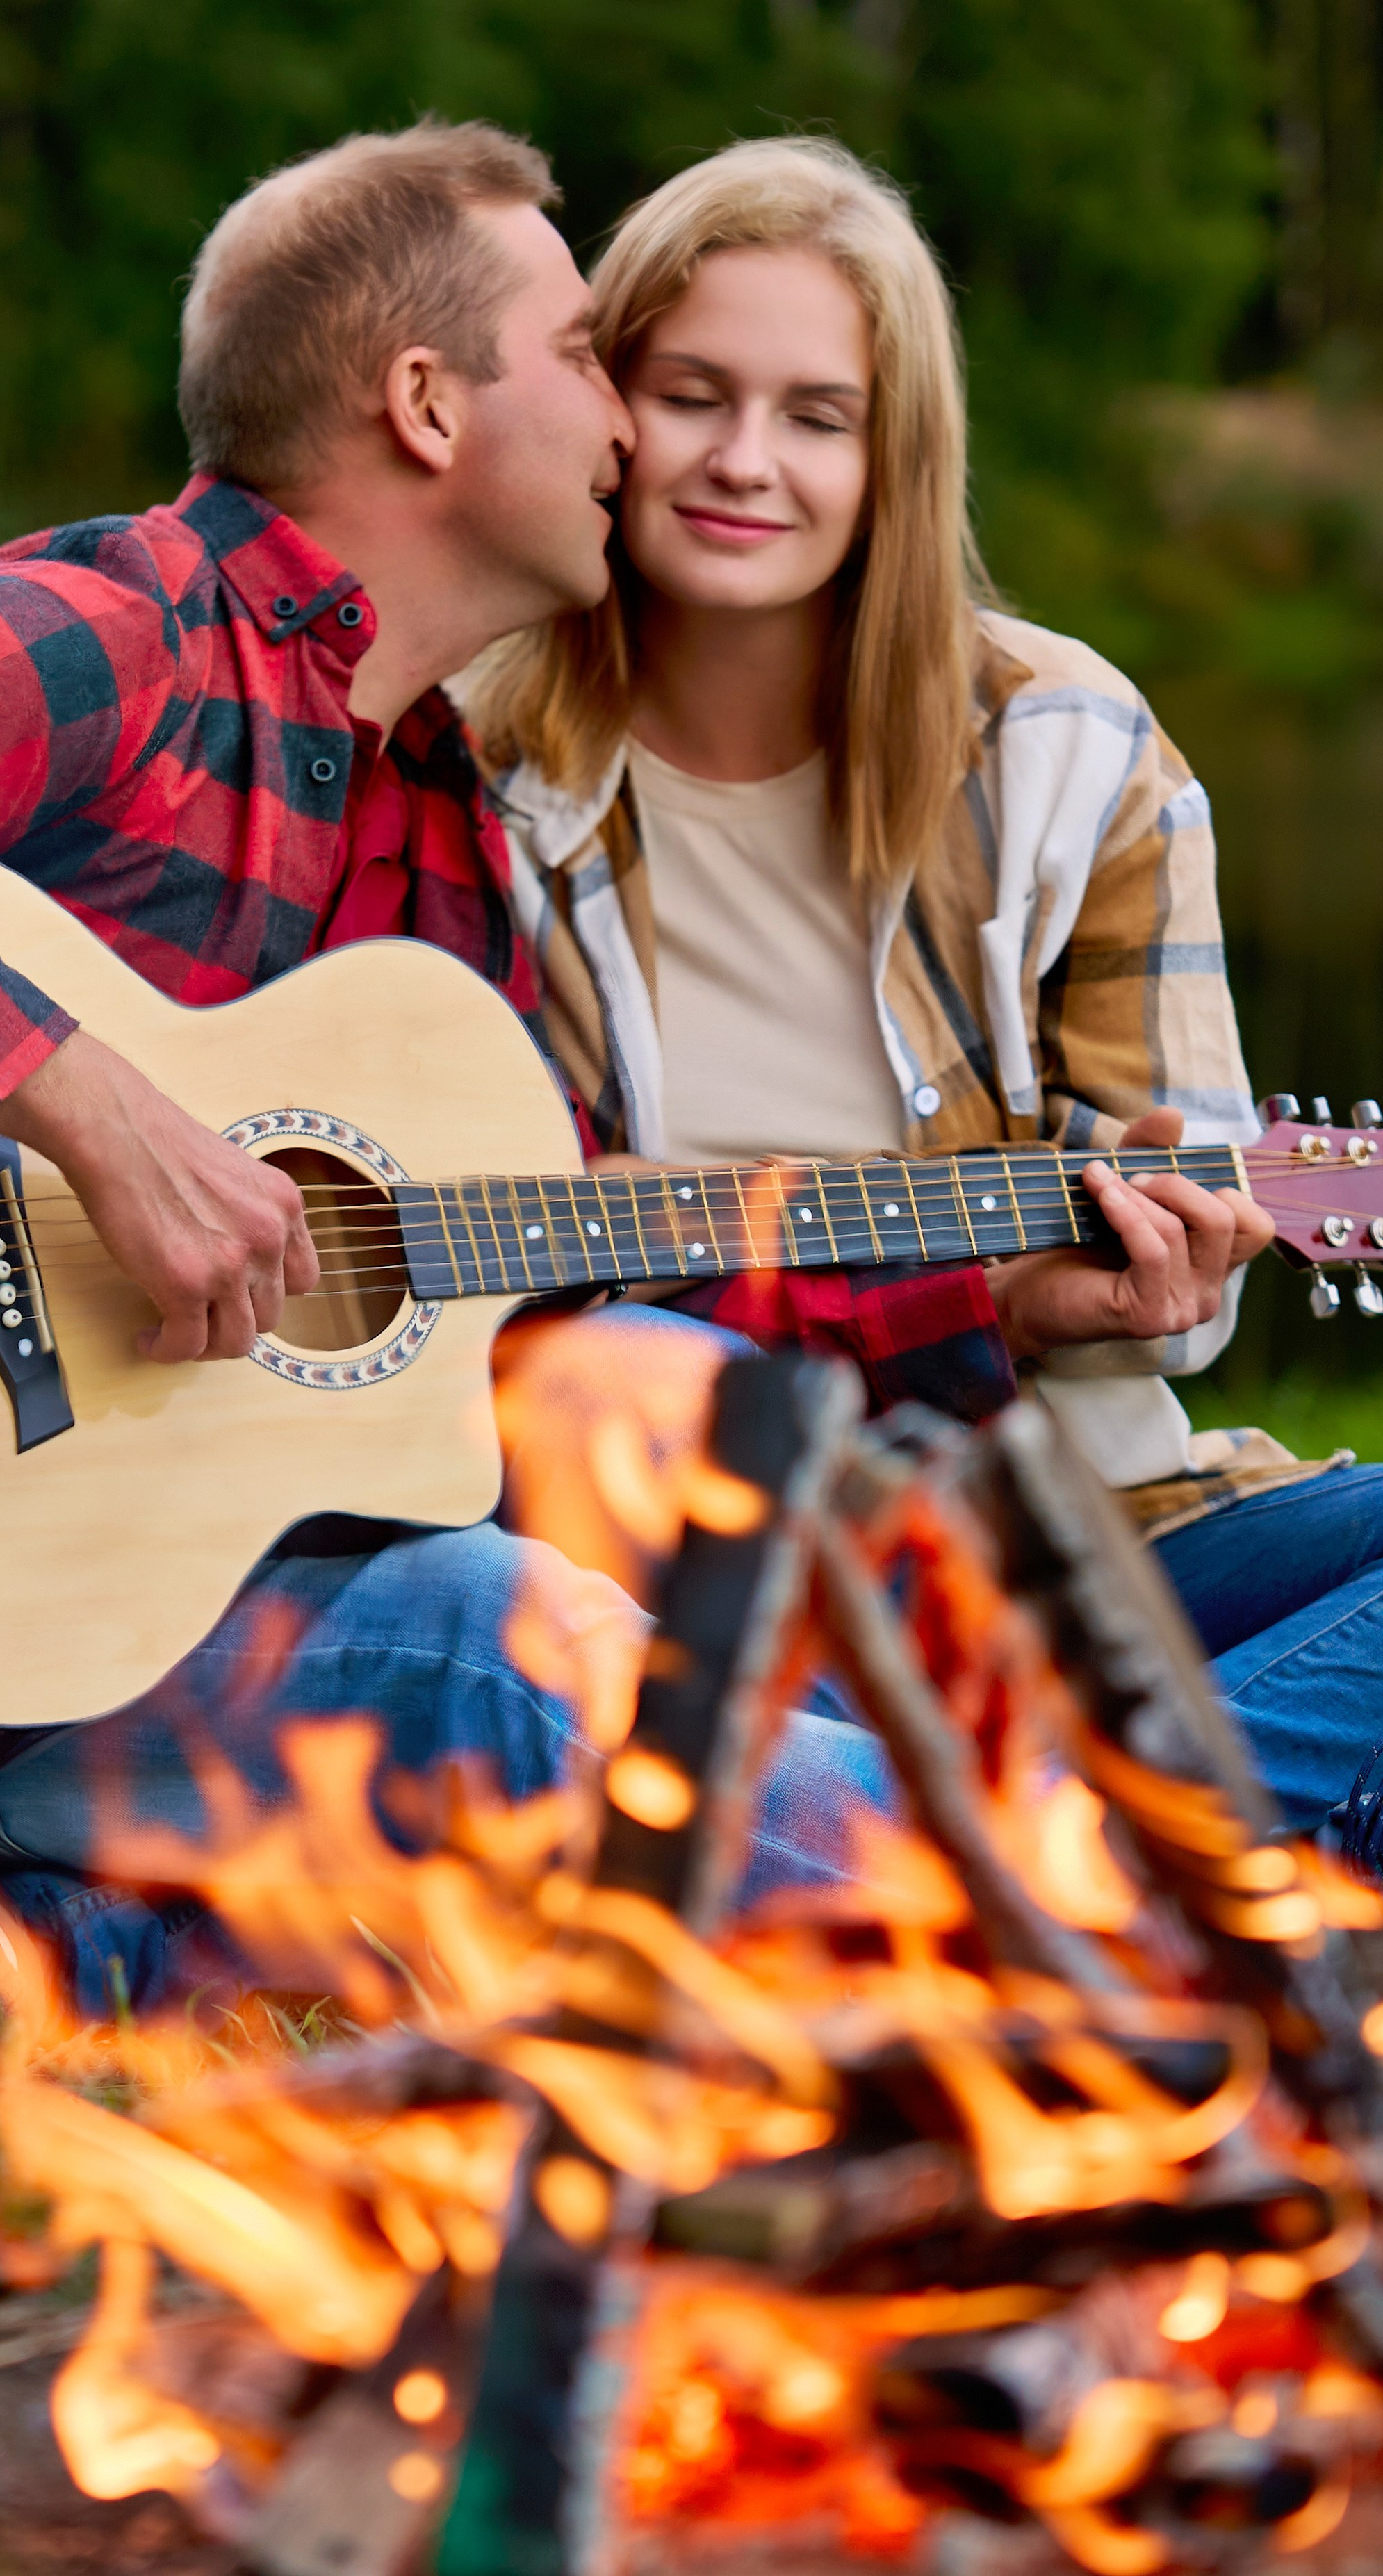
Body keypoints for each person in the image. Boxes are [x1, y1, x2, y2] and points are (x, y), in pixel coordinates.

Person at [0, 120, 1008, 2040]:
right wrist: (98, 1115)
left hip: (83, 1620)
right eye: (580, 356)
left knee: (714, 1446)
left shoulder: (435, 840)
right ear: (426, 406)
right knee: (493, 1652)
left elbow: (568, 1264)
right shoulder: (133, 629)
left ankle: (43, 1934)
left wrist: (1019, 1260)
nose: (630, 420)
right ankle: (1145, 1912)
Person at [463, 135, 1383, 1855]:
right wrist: (972, 1306)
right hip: (687, 1568)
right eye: (694, 395)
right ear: (609, 408)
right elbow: (504, 1304)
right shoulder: (477, 774)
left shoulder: (1066, 748)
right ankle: (1130, 1864)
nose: (750, 462)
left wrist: (1149, 1287)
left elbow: (1177, 1278)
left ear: (897, 455)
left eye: (820, 415)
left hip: (1086, 1539)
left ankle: (1019, 1855)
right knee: (627, 1376)